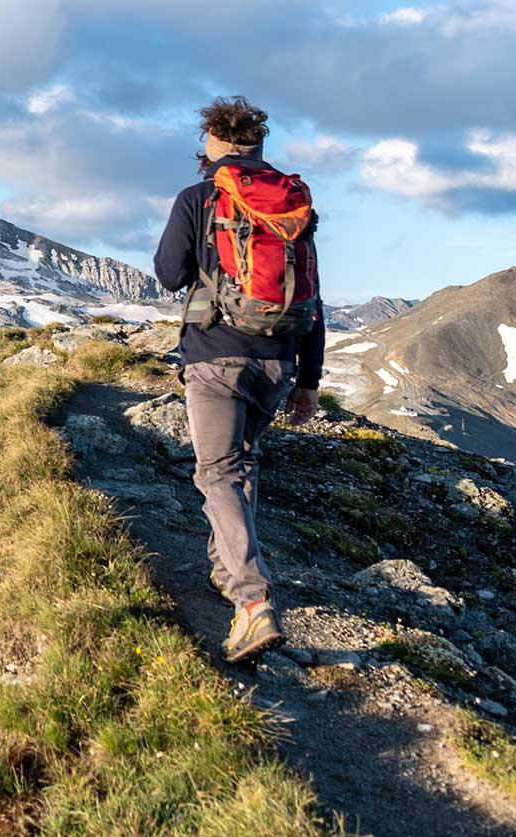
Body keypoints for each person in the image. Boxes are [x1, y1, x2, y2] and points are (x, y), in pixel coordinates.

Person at [153, 96, 325, 664]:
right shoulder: (292, 205)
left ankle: (252, 603)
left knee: (219, 472)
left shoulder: (199, 198)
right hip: (278, 359)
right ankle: (228, 576)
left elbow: (169, 273)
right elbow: (313, 297)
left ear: (211, 148)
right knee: (241, 464)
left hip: (216, 355)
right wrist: (309, 381)